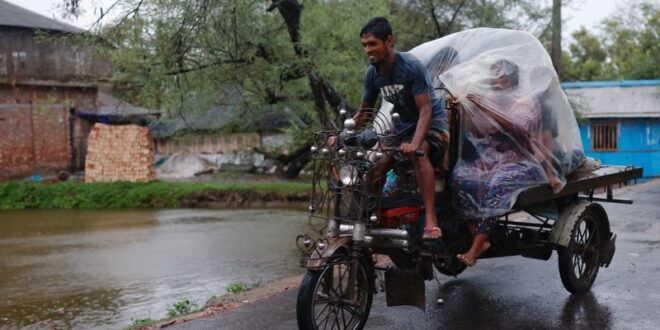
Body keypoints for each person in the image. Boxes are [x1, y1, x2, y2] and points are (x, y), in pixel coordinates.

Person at [354, 17, 449, 240]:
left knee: (419, 153)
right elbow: (364, 112)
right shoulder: (373, 74)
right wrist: (342, 135)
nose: (368, 50)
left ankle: (431, 221)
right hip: (402, 129)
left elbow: (425, 111)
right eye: (364, 45)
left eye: (373, 44)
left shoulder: (411, 67)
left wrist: (415, 143)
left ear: (389, 41)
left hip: (434, 126)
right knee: (376, 164)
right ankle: (373, 215)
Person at [453, 59, 548, 266]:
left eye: (500, 77)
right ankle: (480, 237)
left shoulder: (525, 100)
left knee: (498, 183)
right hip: (494, 159)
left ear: (512, 80)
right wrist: (464, 108)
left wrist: (483, 106)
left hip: (526, 162)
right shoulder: (493, 100)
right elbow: (479, 131)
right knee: (460, 177)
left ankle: (474, 248)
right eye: (492, 77)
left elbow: (519, 128)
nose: (495, 82)